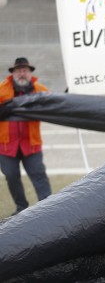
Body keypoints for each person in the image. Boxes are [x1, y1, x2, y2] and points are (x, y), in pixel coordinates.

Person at [0, 57, 52, 216]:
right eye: (19, 71)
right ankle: (21, 207)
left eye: (25, 70)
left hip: (31, 144)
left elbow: (54, 103)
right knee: (11, 176)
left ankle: (49, 207)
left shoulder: (40, 89)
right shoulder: (2, 90)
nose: (22, 74)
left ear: (30, 73)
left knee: (39, 175)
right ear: (13, 73)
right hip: (7, 145)